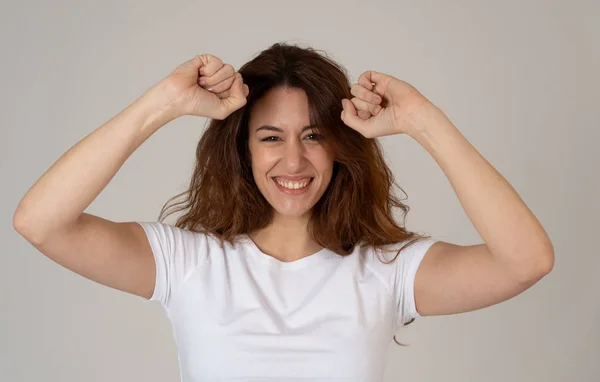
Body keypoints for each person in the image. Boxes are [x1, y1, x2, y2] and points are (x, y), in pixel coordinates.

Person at [13, 42, 554, 381]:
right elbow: (40, 221)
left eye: (313, 135)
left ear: (340, 147)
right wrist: (164, 105)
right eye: (271, 137)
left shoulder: (387, 271)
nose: (293, 160)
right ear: (243, 149)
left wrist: (425, 122)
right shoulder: (189, 262)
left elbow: (525, 260)